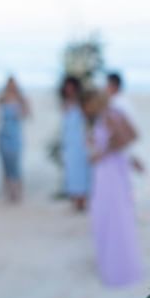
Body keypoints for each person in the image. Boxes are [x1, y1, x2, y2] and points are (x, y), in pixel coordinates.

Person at [85, 90, 143, 287]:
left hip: (109, 171)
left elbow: (125, 138)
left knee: (110, 216)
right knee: (117, 216)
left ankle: (116, 267)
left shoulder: (109, 115)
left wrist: (102, 152)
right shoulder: (114, 113)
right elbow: (132, 135)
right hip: (116, 169)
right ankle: (119, 263)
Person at [0, 74, 30, 203]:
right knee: (5, 166)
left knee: (16, 166)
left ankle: (17, 193)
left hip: (15, 137)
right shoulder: (2, 99)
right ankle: (8, 194)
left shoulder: (20, 99)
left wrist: (21, 109)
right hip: (3, 136)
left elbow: (27, 114)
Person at [60, 75, 91, 211]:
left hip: (81, 141)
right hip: (69, 141)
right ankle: (75, 199)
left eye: (71, 87)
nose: (69, 90)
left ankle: (83, 200)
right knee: (71, 171)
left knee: (82, 171)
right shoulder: (65, 103)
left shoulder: (82, 103)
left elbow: (88, 121)